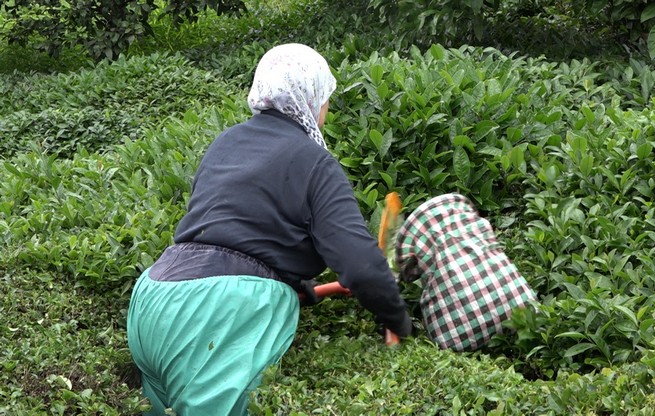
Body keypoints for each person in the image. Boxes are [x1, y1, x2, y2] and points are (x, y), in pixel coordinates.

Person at [126, 43, 412, 416]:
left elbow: (228, 239)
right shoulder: (315, 163)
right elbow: (361, 267)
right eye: (326, 98)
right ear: (310, 98)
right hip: (215, 315)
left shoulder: (224, 143)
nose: (326, 108)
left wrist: (301, 290)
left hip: (153, 299)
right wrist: (399, 321)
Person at [394, 193, 537, 352]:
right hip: (521, 307)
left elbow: (407, 274)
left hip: (461, 334)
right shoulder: (479, 226)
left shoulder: (419, 245)